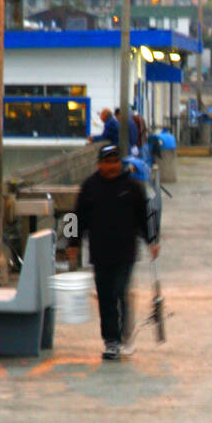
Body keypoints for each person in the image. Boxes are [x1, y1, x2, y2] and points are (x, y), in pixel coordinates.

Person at [67, 144, 158, 361]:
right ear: (99, 164)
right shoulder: (89, 187)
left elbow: (147, 216)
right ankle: (111, 341)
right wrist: (72, 243)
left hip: (125, 252)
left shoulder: (133, 187)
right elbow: (74, 216)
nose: (112, 166)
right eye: (107, 162)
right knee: (106, 296)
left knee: (119, 292)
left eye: (115, 162)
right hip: (99, 253)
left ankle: (125, 334)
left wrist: (152, 240)